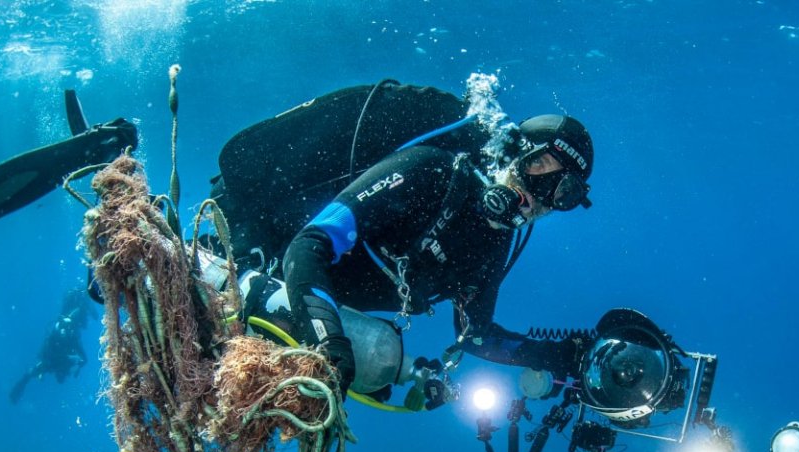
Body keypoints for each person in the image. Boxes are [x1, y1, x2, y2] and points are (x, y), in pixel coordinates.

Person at [222, 88, 597, 400]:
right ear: (516, 152)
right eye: (541, 167)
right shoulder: (432, 172)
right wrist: (329, 343)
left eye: (563, 193)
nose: (542, 197)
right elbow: (310, 244)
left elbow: (477, 337)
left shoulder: (493, 246)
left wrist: (562, 356)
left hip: (291, 311)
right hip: (253, 253)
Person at [9, 289, 89, 403]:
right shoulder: (53, 365)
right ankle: (79, 301)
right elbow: (83, 358)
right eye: (64, 374)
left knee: (72, 321)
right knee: (74, 322)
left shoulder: (50, 365)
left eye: (63, 374)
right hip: (65, 336)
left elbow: (29, 374)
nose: (65, 374)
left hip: (64, 336)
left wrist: (18, 389)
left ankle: (78, 301)